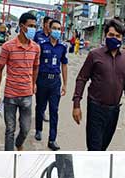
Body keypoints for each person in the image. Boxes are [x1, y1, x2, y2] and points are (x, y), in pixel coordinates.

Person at [72, 19, 125, 151]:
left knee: (103, 147)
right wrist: (76, 104)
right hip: (96, 109)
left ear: (122, 38)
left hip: (114, 111)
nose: (114, 38)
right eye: (111, 35)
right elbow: (82, 78)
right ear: (105, 35)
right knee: (94, 148)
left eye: (118, 36)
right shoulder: (95, 55)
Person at [0, 12, 40, 151]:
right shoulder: (8, 46)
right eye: (30, 26)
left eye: (34, 26)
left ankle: (19, 144)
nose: (33, 29)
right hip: (11, 96)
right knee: (10, 130)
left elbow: (36, 67)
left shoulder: (36, 48)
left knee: (25, 129)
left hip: (27, 95)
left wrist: (33, 84)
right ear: (21, 26)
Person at [34, 20, 68, 151]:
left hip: (55, 82)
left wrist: (65, 84)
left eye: (59, 28)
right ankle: (38, 129)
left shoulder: (63, 47)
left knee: (54, 110)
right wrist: (34, 82)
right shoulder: (41, 45)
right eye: (54, 28)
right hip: (42, 80)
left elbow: (64, 65)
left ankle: (52, 139)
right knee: (40, 107)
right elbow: (36, 64)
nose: (57, 31)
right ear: (49, 29)